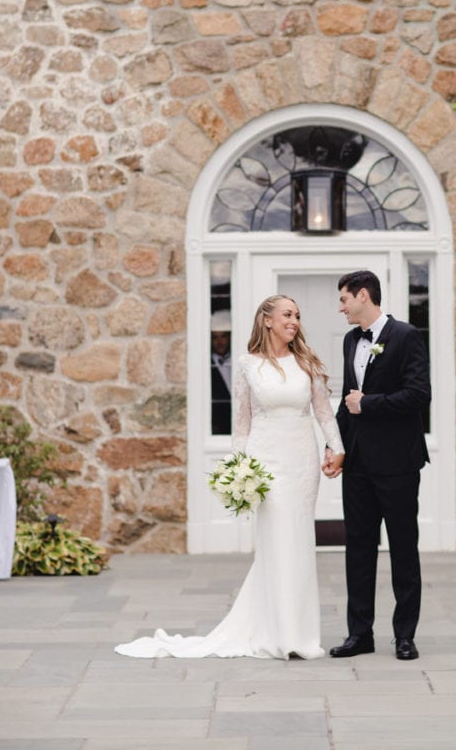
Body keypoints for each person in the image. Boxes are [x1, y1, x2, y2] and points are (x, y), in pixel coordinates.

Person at [115, 294, 344, 660]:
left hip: (302, 460)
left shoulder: (307, 363)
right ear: (266, 320)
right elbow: (242, 422)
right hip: (267, 461)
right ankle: (276, 634)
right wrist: (241, 469)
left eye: (298, 316)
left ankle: (299, 634)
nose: (294, 321)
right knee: (276, 543)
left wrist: (337, 447)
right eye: (287, 314)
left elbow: (323, 413)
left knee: (300, 543)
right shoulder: (247, 365)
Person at [324, 269, 430, 661]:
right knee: (358, 550)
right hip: (358, 466)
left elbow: (420, 394)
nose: (341, 308)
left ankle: (405, 636)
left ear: (364, 296)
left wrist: (369, 403)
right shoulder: (352, 340)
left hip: (399, 464)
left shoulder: (406, 336)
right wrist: (335, 446)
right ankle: (359, 634)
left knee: (404, 550)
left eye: (344, 300)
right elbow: (346, 401)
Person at [210, 310, 232, 434]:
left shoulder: (240, 359)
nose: (220, 342)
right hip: (216, 430)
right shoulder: (206, 364)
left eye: (223, 336)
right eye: (215, 337)